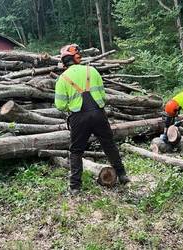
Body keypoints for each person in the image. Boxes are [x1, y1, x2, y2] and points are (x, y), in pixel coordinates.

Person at [54, 44, 130, 195]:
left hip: (78, 117)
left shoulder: (62, 79)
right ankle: (122, 175)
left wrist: (72, 105)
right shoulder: (92, 71)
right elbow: (102, 96)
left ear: (64, 61)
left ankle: (75, 187)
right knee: (109, 145)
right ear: (77, 58)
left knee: (76, 151)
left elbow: (60, 105)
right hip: (98, 114)